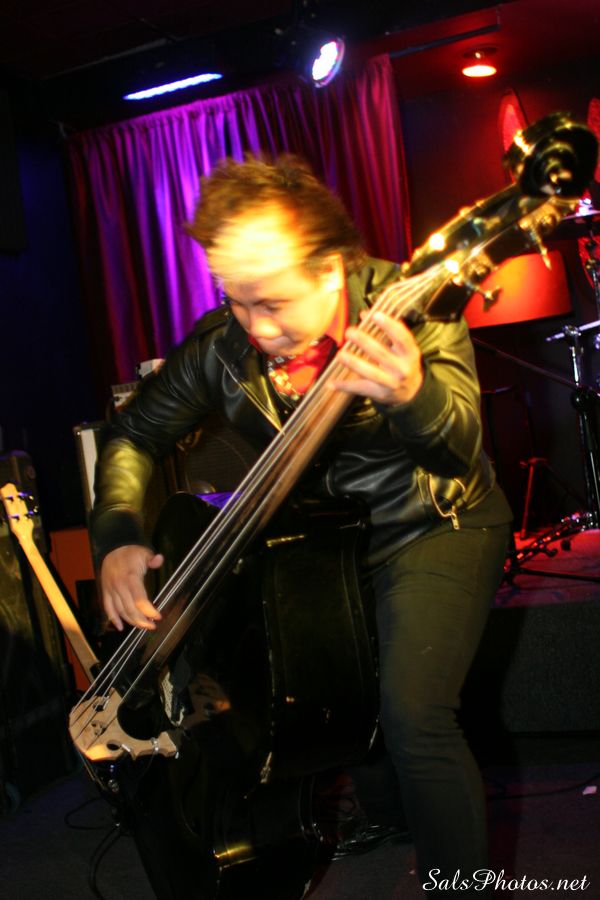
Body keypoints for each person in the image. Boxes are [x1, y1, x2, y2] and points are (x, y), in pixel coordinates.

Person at [90, 155, 512, 892]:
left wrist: (412, 394)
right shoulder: (223, 344)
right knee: (329, 695)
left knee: (414, 713)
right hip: (321, 546)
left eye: (274, 303)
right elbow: (133, 435)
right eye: (236, 301)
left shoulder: (412, 304)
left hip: (435, 522)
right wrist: (119, 533)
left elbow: (457, 451)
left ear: (331, 270)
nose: (255, 327)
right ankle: (393, 819)